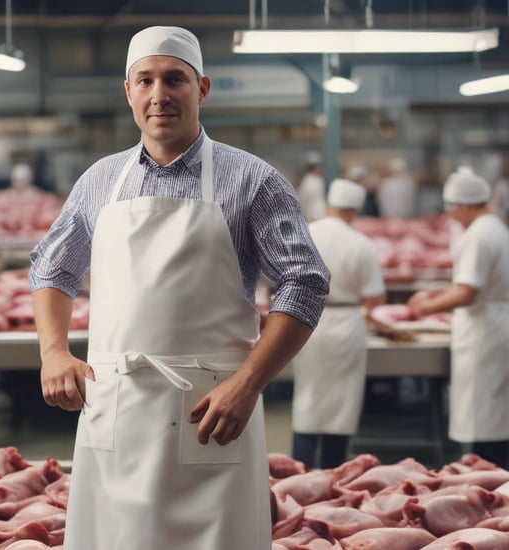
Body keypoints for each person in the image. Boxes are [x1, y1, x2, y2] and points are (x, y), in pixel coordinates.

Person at [28, 26, 330, 549]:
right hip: (115, 408)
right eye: (145, 80)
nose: (159, 94)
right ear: (128, 91)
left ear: (202, 89)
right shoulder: (100, 181)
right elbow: (51, 270)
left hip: (212, 413)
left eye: (175, 79)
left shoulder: (253, 180)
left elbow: (304, 283)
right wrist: (54, 352)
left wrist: (249, 383)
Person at [408, 166, 509, 468]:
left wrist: (426, 307)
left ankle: (489, 483)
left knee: (484, 416)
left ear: (466, 205)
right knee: (495, 413)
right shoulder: (497, 228)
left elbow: (467, 292)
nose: (450, 215)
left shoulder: (478, 236)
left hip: (485, 329)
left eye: (453, 209)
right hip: (494, 323)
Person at [290, 178, 386, 469]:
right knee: (341, 402)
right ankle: (332, 476)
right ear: (355, 209)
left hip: (304, 320)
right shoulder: (362, 244)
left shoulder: (305, 233)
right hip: (346, 323)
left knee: (307, 396)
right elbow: (374, 298)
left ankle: (298, 474)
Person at [297, 152, 327, 222]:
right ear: (314, 167)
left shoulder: (318, 179)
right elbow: (303, 202)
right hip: (312, 218)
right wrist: (308, 217)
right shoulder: (307, 182)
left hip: (321, 216)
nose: (321, 168)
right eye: (319, 166)